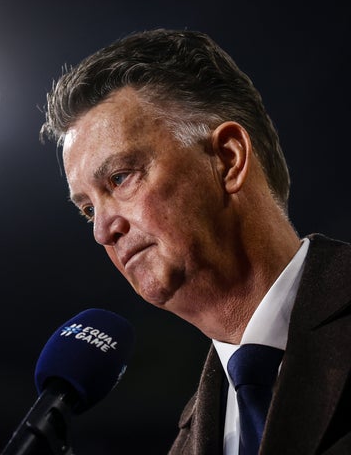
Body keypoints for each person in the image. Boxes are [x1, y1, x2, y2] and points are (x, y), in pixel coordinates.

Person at [39, 28, 351, 454]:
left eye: (120, 178)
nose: (102, 231)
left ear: (227, 159)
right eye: (88, 209)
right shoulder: (184, 443)